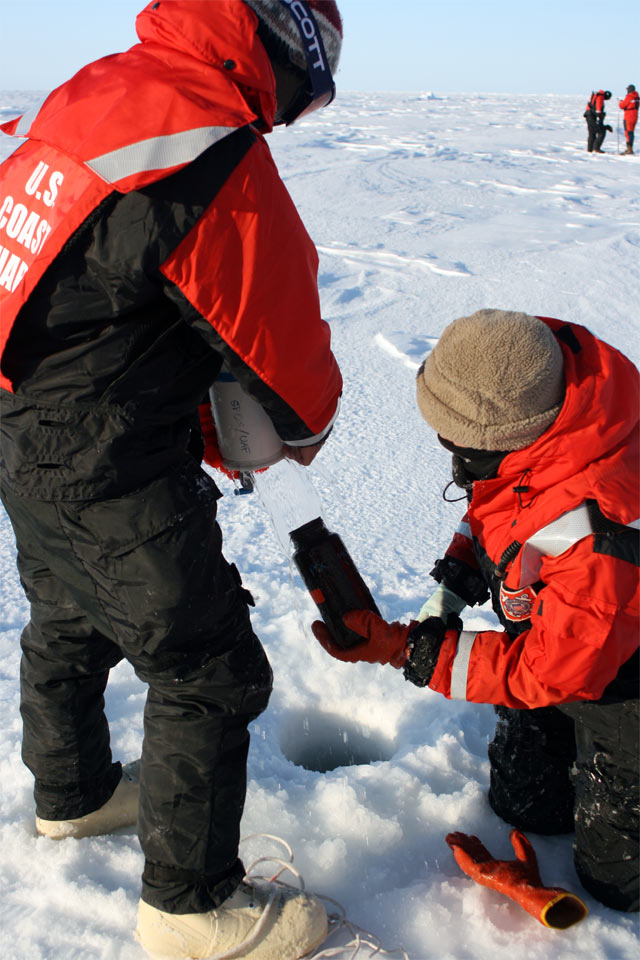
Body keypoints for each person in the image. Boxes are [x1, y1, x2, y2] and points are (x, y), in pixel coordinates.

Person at [0, 1, 344, 958]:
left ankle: (70, 799)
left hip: (20, 422)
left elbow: (86, 268)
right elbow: (289, 365)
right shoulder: (213, 146)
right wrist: (297, 426)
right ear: (286, 42)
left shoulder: (96, 90)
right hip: (111, 452)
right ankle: (192, 910)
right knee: (208, 664)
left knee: (68, 612)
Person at [313, 310, 639, 914]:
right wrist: (453, 588)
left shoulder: (598, 533)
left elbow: (556, 672)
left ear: (509, 438)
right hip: (560, 639)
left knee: (617, 882)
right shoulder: (541, 413)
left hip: (621, 684)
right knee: (524, 805)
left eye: (457, 444)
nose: (450, 456)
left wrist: (406, 650)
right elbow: (503, 513)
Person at [619, 83, 639, 154]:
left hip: (628, 117)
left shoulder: (629, 97)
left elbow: (622, 106)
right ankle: (630, 148)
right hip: (635, 116)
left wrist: (620, 102)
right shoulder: (637, 97)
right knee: (631, 132)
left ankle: (629, 149)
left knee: (628, 132)